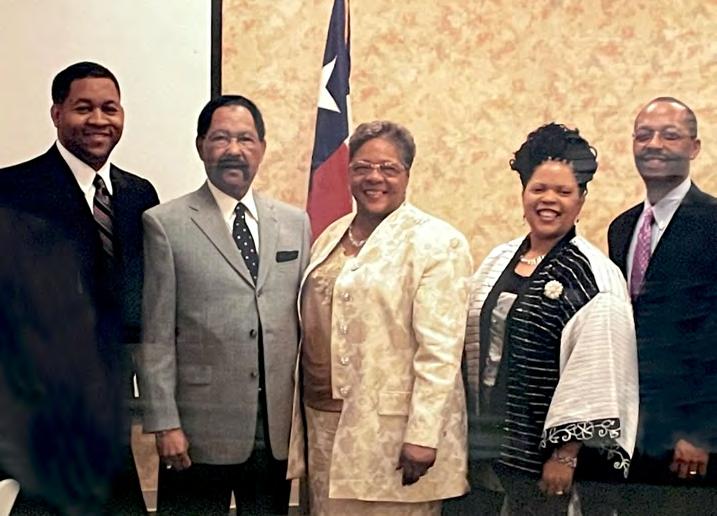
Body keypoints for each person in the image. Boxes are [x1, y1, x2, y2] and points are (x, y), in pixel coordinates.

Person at [286, 120, 473, 515]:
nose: (374, 177)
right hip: (323, 426)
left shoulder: (437, 243)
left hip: (393, 434)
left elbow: (440, 352)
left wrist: (423, 435)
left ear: (407, 174)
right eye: (362, 167)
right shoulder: (331, 235)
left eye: (389, 168)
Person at [137, 94, 311, 515]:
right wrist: (165, 422)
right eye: (221, 138)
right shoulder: (165, 223)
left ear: (262, 148)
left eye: (246, 139)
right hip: (197, 430)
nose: (234, 149)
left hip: (274, 429)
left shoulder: (295, 223)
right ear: (201, 146)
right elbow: (156, 335)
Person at [0, 61, 159, 514]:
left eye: (110, 108)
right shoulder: (12, 190)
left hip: (114, 411)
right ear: (56, 113)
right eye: (83, 108)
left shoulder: (139, 195)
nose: (98, 120)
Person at [456, 123, 638, 515]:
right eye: (539, 188)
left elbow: (596, 371)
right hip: (487, 444)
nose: (549, 200)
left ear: (582, 198)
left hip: (548, 460)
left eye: (563, 191)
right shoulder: (498, 260)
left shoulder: (595, 275)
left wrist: (565, 454)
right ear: (524, 192)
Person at [607, 97, 717, 514]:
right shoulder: (622, 227)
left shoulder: (713, 222)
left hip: (690, 437)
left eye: (670, 135)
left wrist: (703, 431)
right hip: (632, 431)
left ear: (694, 147)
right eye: (643, 135)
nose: (654, 144)